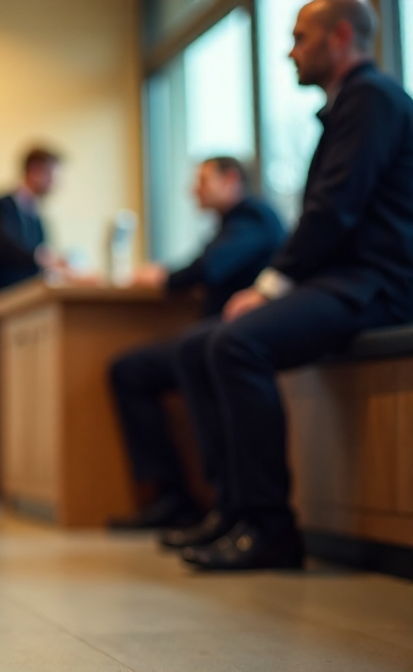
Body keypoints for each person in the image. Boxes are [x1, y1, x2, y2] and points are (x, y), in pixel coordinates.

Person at [166, 0, 413, 570]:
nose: (289, 50)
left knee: (235, 342)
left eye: (300, 37)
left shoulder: (371, 99)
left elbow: (334, 211)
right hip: (343, 281)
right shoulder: (349, 105)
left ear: (342, 36)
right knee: (198, 344)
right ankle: (232, 511)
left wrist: (272, 286)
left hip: (375, 285)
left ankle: (271, 527)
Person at [106, 157, 285, 530]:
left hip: (236, 337)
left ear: (231, 179)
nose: (193, 190)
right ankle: (176, 496)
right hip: (217, 334)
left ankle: (208, 502)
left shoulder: (253, 216)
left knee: (166, 360)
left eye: (203, 181)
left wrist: (165, 277)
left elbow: (212, 266)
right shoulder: (232, 223)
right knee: (133, 369)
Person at [0, 147, 69, 497]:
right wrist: (43, 258)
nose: (57, 183)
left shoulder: (38, 219)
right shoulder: (1, 206)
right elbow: (3, 248)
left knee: (9, 400)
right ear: (35, 171)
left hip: (19, 323)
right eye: (53, 174)